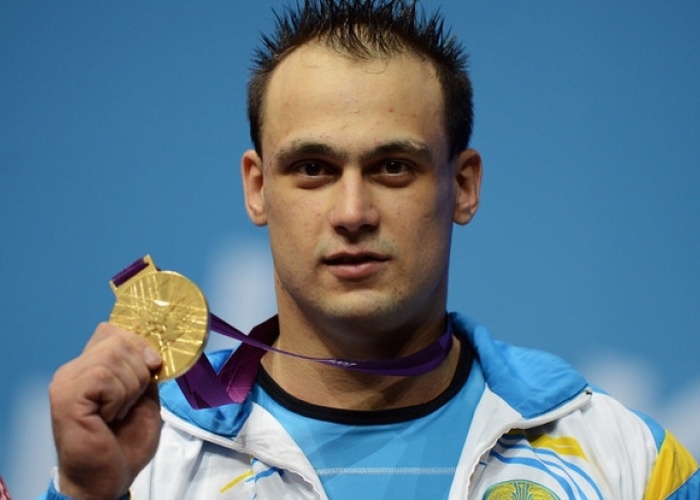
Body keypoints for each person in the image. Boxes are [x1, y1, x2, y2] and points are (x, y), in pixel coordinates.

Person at [43, 1, 699, 499]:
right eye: (313, 169)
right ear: (257, 188)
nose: (353, 213)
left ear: (463, 186)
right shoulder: (150, 463)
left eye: (392, 167)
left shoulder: (625, 459)